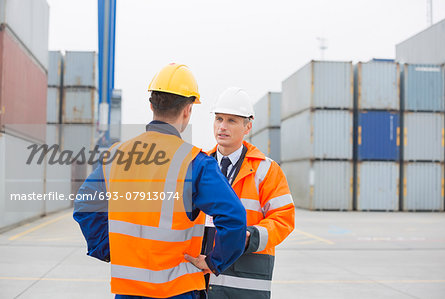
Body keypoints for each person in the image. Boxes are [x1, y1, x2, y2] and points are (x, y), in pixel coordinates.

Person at [73, 64, 247, 299]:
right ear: (187, 110)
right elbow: (234, 217)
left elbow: (85, 205)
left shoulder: (115, 155)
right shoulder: (196, 162)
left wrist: (108, 249)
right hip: (179, 289)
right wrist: (214, 262)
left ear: (152, 105)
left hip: (129, 290)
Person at [204, 87, 295, 299]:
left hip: (246, 281)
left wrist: (249, 237)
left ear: (248, 127)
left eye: (231, 121)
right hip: (203, 276)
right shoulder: (200, 165)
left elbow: (284, 219)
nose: (222, 127)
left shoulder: (266, 170)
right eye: (219, 119)